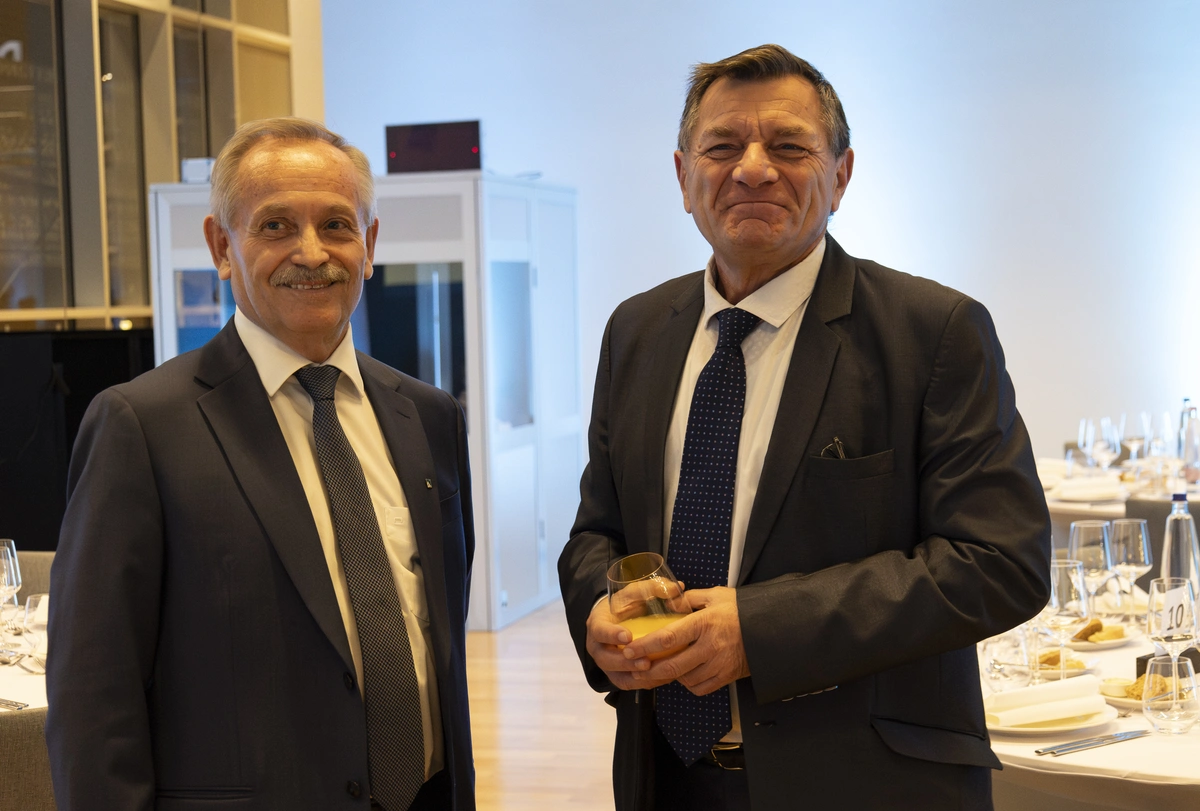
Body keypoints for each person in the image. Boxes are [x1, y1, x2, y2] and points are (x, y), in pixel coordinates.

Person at [558, 44, 1051, 810]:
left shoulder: (934, 332)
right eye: (723, 146)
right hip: (666, 775)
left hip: (866, 782)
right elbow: (598, 530)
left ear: (841, 175)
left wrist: (759, 630)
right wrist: (598, 606)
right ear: (684, 176)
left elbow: (999, 562)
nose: (753, 169)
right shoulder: (636, 331)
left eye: (789, 146)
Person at [46, 118, 475, 810]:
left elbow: (439, 637)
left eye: (336, 225)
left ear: (369, 245)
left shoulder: (428, 416)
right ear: (222, 246)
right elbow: (93, 694)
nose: (312, 252)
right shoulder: (140, 427)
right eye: (275, 225)